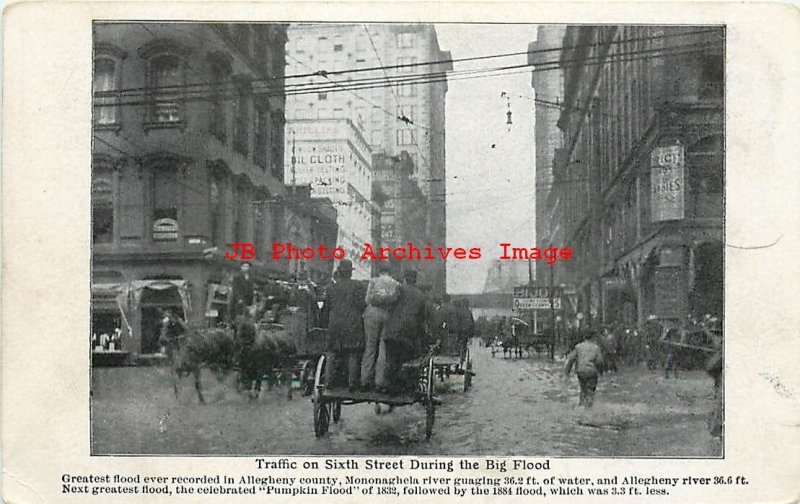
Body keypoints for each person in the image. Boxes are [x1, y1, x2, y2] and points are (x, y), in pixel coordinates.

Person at [376, 270, 431, 393]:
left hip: (392, 331)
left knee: (391, 359)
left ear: (405, 279)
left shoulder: (399, 289)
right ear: (415, 280)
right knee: (407, 359)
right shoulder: (421, 296)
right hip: (409, 334)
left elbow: (389, 303)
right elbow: (422, 318)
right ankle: (405, 386)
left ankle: (388, 386)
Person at [322, 260, 367, 390]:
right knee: (352, 353)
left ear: (340, 272)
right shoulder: (357, 286)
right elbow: (362, 305)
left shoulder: (331, 288)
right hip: (352, 324)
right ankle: (352, 384)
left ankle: (328, 382)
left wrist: (325, 324)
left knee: (331, 353)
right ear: (350, 273)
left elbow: (326, 309)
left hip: (335, 325)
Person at [360, 262, 400, 390]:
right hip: (388, 314)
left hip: (372, 313)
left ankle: (365, 379)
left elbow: (367, 300)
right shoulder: (395, 283)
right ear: (390, 272)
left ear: (380, 271)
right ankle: (380, 381)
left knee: (370, 347)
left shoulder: (373, 281)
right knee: (383, 349)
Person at [564, 330, 605, 407]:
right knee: (591, 391)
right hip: (592, 372)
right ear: (593, 337)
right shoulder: (596, 348)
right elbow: (600, 361)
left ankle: (581, 405)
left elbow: (571, 359)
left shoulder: (578, 347)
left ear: (584, 337)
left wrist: (567, 372)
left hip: (581, 372)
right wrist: (601, 372)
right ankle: (588, 409)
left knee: (583, 390)